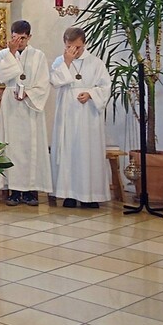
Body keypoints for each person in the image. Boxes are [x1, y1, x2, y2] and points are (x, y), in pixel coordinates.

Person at [50, 27, 112, 209]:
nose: (73, 51)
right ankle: (68, 194)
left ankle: (90, 196)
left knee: (88, 152)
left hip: (88, 116)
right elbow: (54, 81)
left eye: (77, 47)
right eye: (69, 47)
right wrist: (67, 63)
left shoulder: (96, 63)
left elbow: (105, 86)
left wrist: (91, 94)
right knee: (68, 150)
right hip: (67, 113)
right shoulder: (60, 62)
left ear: (84, 43)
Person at [0, 20, 52, 206]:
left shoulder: (38, 55)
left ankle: (30, 191)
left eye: (23, 38)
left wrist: (28, 93)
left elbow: (44, 82)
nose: (19, 42)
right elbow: (2, 76)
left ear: (29, 37)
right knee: (12, 146)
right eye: (15, 38)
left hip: (30, 104)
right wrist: (11, 54)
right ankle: (14, 190)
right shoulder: (4, 54)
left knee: (30, 146)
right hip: (11, 102)